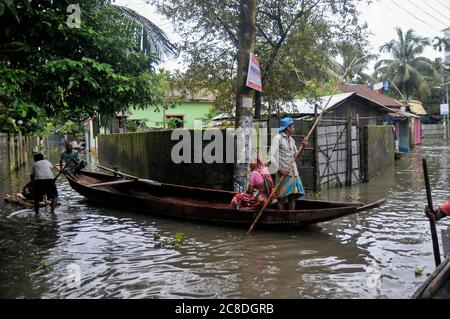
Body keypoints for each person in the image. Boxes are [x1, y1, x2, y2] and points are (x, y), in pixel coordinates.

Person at [269, 117, 306, 210]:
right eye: (292, 125)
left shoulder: (292, 140)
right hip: (283, 173)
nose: (294, 127)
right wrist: (281, 169)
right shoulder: (278, 138)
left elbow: (296, 156)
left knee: (292, 197)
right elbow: (270, 157)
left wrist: (303, 146)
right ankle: (282, 218)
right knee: (281, 198)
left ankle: (291, 217)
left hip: (293, 173)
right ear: (287, 127)